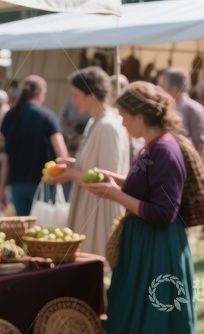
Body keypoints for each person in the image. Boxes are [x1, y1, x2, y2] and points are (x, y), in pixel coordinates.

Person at [78, 82, 196, 334]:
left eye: (124, 115)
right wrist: (114, 179)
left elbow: (163, 213)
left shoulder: (165, 150)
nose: (120, 121)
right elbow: (144, 187)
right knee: (134, 314)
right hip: (145, 246)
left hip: (158, 249)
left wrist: (114, 193)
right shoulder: (153, 146)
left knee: (155, 324)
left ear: (140, 116)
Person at [47, 67, 130, 257]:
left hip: (99, 210)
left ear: (91, 95)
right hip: (88, 203)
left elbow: (106, 178)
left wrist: (70, 174)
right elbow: (95, 165)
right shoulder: (96, 122)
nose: (72, 101)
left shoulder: (108, 125)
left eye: (76, 95)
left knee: (95, 264)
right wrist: (73, 164)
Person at [0, 75, 68, 217]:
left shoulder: (11, 115)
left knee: (20, 228)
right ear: (41, 93)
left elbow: (6, 156)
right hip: (44, 184)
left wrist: (1, 188)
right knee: (41, 231)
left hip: (17, 184)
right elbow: (62, 154)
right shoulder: (48, 116)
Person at [158, 67, 204, 151]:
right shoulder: (167, 107)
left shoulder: (193, 109)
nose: (160, 89)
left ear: (174, 88)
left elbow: (202, 144)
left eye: (163, 85)